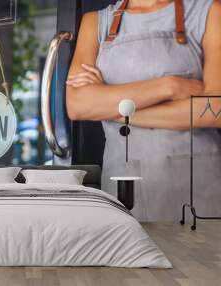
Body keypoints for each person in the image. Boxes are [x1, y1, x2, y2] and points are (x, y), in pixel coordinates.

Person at [66, 0, 221, 221]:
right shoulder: (96, 24)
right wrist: (169, 86)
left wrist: (117, 111)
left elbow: (214, 108)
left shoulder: (209, 12)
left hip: (199, 186)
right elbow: (78, 105)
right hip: (125, 186)